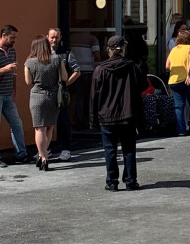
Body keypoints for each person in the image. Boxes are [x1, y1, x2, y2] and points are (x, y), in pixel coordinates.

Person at [90, 35, 146, 191]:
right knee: (129, 150)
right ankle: (130, 181)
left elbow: (94, 96)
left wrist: (92, 118)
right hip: (127, 115)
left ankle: (112, 182)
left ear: (108, 50)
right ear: (122, 49)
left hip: (106, 116)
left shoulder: (100, 69)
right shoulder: (132, 67)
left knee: (110, 150)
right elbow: (142, 85)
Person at [0, 24, 29, 168]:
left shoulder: (12, 51)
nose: (14, 40)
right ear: (4, 36)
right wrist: (4, 69)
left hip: (7, 95)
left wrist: (13, 90)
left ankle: (22, 154)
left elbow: (13, 72)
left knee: (17, 124)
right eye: (12, 37)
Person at [24, 36, 67, 171]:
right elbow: (65, 77)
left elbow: (28, 82)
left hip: (37, 96)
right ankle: (44, 155)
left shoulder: (29, 63)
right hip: (54, 96)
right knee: (49, 127)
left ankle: (43, 157)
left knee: (39, 128)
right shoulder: (57, 59)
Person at [46, 27, 81, 162]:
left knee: (63, 120)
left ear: (60, 38)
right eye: (52, 37)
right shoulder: (43, 53)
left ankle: (66, 149)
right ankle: (45, 150)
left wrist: (66, 84)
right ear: (47, 38)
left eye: (57, 37)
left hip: (61, 93)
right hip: (46, 93)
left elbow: (77, 71)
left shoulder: (66, 54)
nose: (54, 40)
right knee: (45, 122)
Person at [165, 27, 190, 135]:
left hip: (174, 81)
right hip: (188, 80)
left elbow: (167, 66)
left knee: (179, 106)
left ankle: (181, 130)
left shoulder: (173, 50)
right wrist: (188, 74)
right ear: (189, 39)